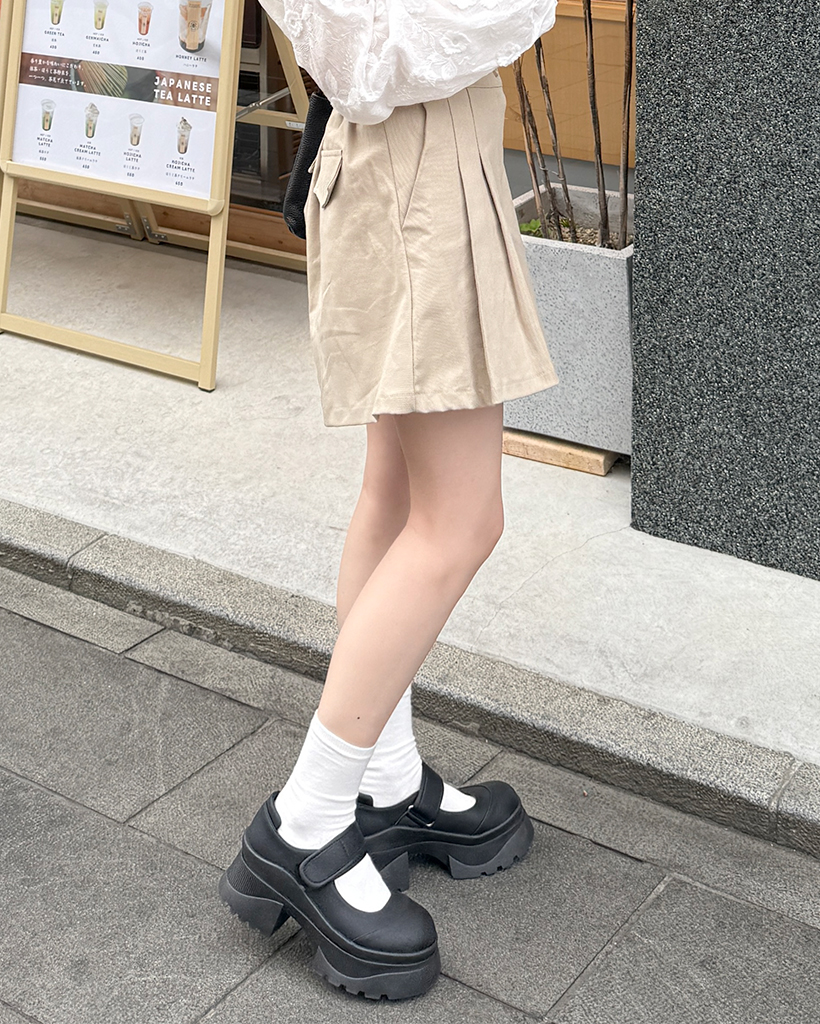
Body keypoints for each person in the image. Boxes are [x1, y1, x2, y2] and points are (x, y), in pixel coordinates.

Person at [220, 0, 561, 1001]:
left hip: (419, 165)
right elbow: (367, 57)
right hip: (411, 174)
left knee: (400, 492)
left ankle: (382, 774)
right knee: (459, 521)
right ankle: (309, 818)